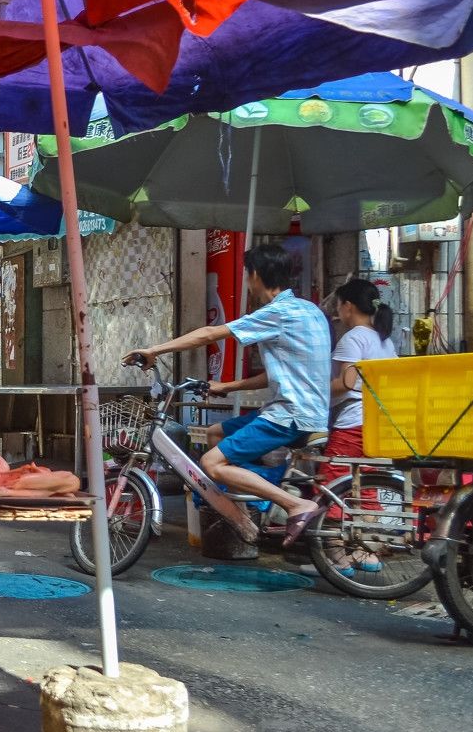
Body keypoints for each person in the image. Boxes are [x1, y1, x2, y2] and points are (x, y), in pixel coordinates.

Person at [123, 244, 332, 545]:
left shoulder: (277, 313)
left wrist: (154, 349)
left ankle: (294, 504)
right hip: (305, 410)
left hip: (290, 415)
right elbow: (283, 370)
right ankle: (248, 509)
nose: (248, 281)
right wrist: (229, 386)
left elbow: (210, 333)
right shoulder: (309, 310)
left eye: (249, 274)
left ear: (256, 275)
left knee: (211, 464)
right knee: (215, 433)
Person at [315, 278, 397, 576]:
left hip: (353, 422)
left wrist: (317, 391)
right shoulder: (384, 339)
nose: (338, 312)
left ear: (348, 307)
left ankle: (339, 558)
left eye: (339, 306)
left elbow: (346, 384)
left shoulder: (353, 338)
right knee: (367, 488)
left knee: (333, 482)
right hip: (378, 423)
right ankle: (368, 554)